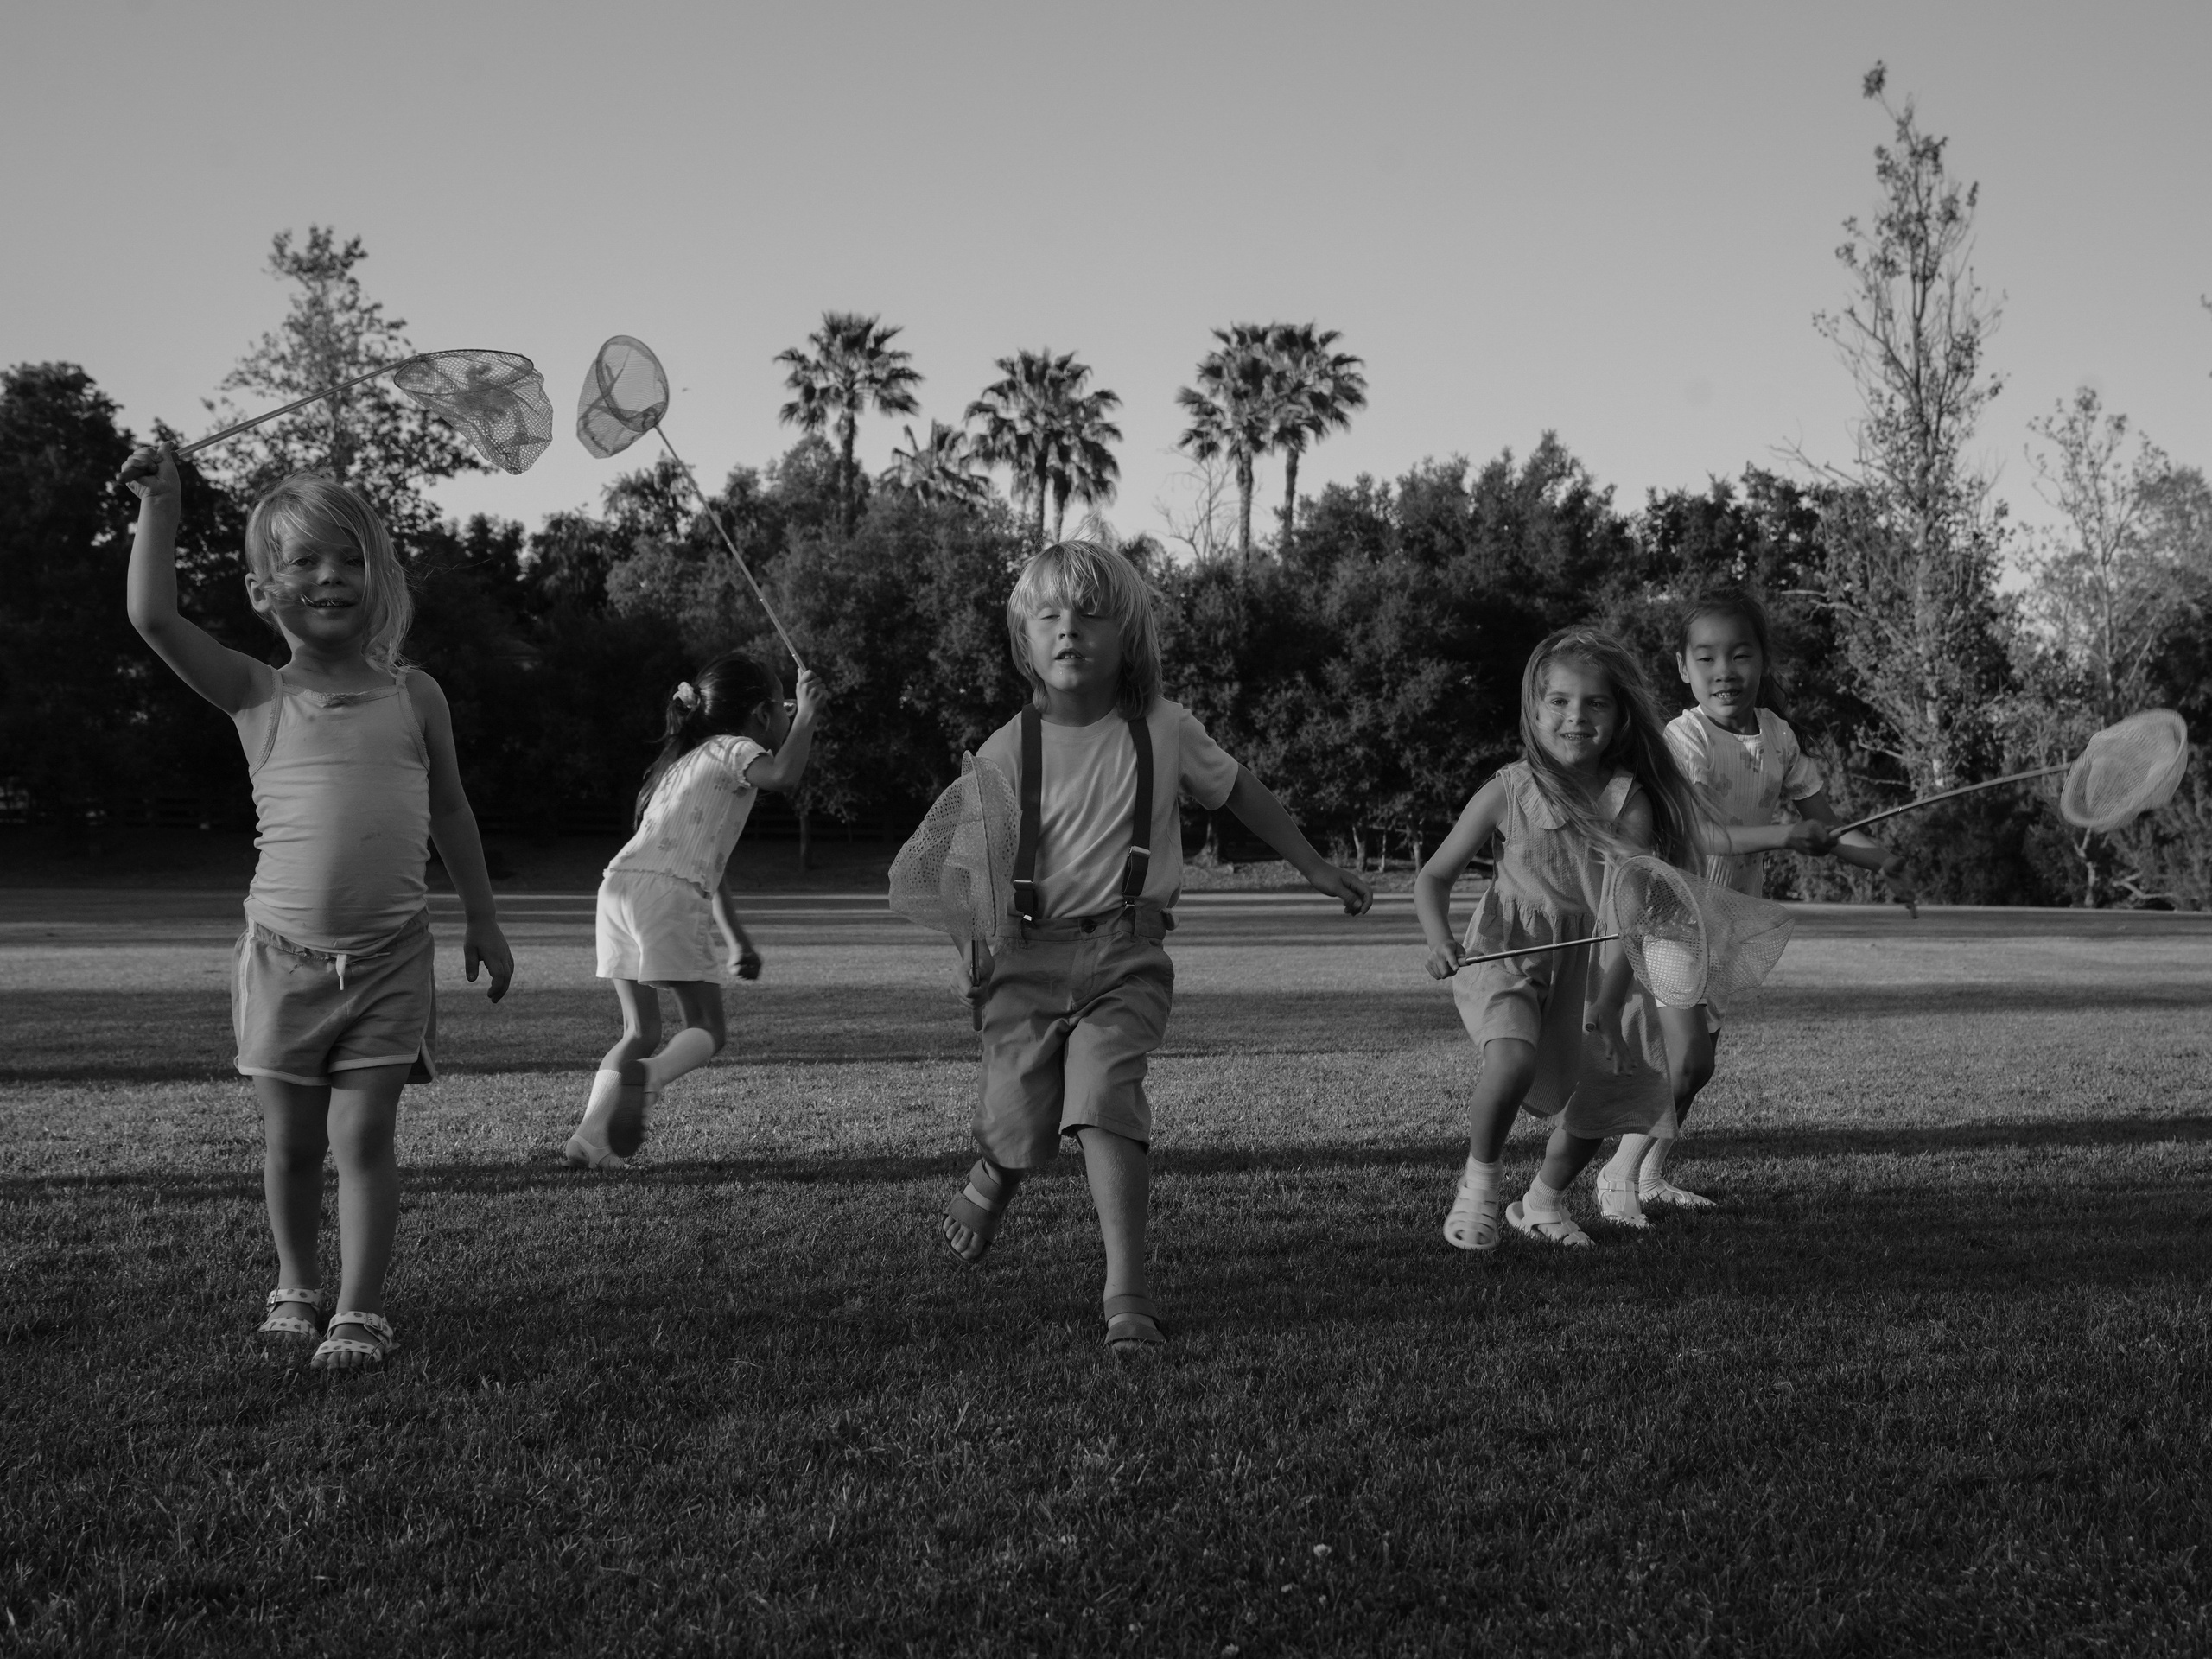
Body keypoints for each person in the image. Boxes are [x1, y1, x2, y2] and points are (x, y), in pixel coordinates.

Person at [119, 447, 513, 1371]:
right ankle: (295, 1287)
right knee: (293, 1141)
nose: (329, 577)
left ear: (379, 578)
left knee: (362, 1134)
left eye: (349, 558)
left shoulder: (416, 694)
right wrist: (163, 508)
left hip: (388, 957)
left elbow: (451, 809)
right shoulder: (257, 691)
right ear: (264, 591)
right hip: (281, 957)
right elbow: (151, 616)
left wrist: (484, 919)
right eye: (303, 561)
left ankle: (357, 1311)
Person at [939, 539, 1371, 1353]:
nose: (1071, 630)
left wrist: (1313, 864)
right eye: (1050, 616)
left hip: (1125, 953)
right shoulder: (1002, 751)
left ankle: (1126, 1293)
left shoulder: (1166, 729)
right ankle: (994, 1176)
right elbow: (973, 868)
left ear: (1128, 634)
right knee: (1016, 1114)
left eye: (1093, 614)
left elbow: (1241, 790)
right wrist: (973, 949)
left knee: (1102, 1100)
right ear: (1023, 642)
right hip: (1025, 958)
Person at [1594, 588, 1913, 1220]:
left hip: (1728, 920)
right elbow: (1697, 833)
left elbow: (1830, 825)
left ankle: (1651, 1176)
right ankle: (1615, 1178)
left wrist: (1884, 863)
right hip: (1671, 915)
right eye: (1707, 658)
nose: (1724, 672)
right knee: (1684, 1060)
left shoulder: (1778, 737)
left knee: (1701, 1064)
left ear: (1763, 662)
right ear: (1684, 668)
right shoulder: (1682, 740)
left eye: (1739, 655)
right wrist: (1786, 836)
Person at [1414, 627, 1702, 1250]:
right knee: (1512, 1059)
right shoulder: (1509, 789)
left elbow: (1631, 914)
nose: (1576, 716)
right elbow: (1433, 878)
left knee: (1611, 1094)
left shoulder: (1630, 803)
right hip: (1505, 953)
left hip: (1597, 964)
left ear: (1620, 716)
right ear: (1535, 709)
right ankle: (1480, 1187)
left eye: (1595, 703)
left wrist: (1605, 1004)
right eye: (1560, 701)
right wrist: (1440, 942)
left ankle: (1541, 1204)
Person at [564, 653, 824, 1169]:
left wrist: (736, 940)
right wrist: (811, 717)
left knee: (638, 1031)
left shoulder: (682, 763)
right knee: (708, 1028)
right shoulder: (735, 748)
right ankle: (651, 1078)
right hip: (666, 892)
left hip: (617, 887)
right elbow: (783, 775)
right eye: (784, 708)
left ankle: (588, 1141)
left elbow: (708, 866)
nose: (789, 716)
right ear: (759, 715)